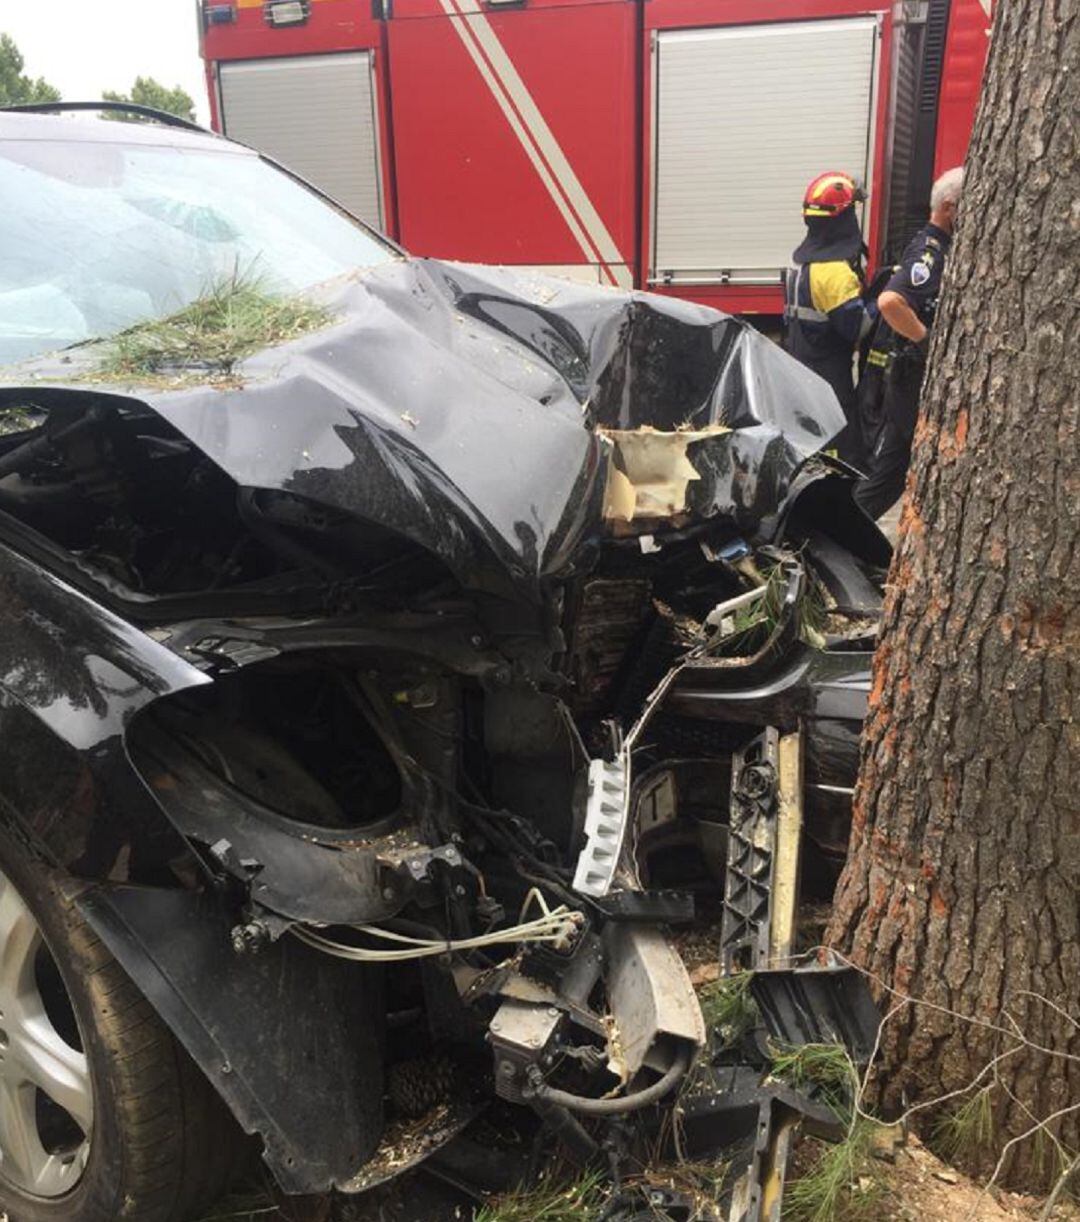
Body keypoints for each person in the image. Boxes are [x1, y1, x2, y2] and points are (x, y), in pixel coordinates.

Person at [854, 166, 964, 519]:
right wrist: (928, 342)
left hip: (913, 379)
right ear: (949, 207)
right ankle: (837, 538)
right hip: (911, 380)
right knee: (890, 473)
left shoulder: (944, 246)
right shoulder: (930, 253)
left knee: (898, 471)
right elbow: (890, 302)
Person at [783, 171, 875, 469]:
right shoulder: (834, 271)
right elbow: (856, 328)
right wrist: (881, 301)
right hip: (830, 380)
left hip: (800, 368)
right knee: (843, 453)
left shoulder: (799, 262)